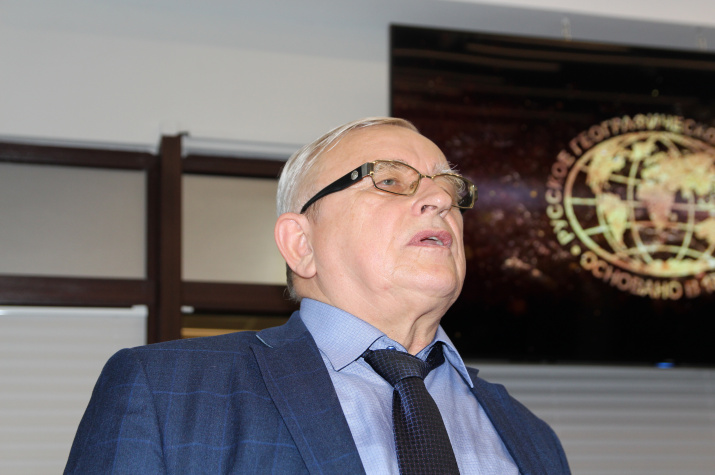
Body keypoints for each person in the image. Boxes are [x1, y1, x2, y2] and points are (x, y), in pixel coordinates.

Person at [65, 117, 570, 474]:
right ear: (301, 245)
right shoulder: (165, 394)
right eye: (389, 180)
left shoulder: (531, 435)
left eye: (452, 190)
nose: (440, 199)